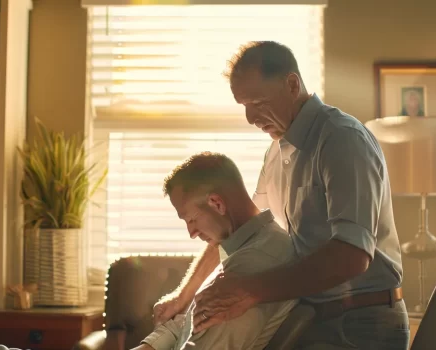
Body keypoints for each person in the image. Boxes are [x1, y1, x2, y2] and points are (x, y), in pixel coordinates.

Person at [153, 41, 408, 349]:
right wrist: (182, 297)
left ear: (291, 84)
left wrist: (248, 290)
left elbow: (351, 256)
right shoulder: (276, 150)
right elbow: (241, 228)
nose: (250, 117)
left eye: (257, 103)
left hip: (359, 324)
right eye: (243, 105)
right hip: (313, 319)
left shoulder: (341, 139)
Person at [129, 152, 298, 350]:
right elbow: (191, 322)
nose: (191, 233)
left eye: (191, 219)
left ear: (216, 203)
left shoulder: (253, 263)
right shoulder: (244, 245)